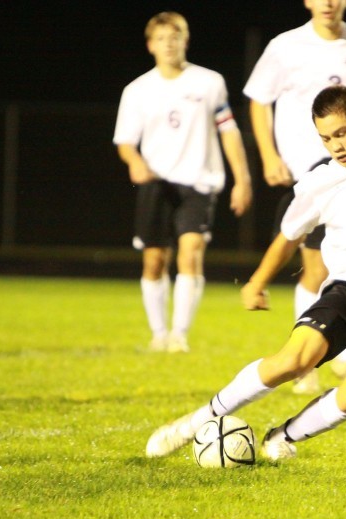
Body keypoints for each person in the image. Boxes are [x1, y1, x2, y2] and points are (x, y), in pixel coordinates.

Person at [145, 85, 346, 460]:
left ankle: (283, 437)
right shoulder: (320, 182)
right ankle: (196, 421)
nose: (335, 146)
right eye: (326, 138)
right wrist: (257, 282)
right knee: (294, 361)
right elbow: (287, 236)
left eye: (342, 133)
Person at [243, 0, 346, 393]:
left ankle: (340, 354)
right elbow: (259, 99)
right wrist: (268, 155)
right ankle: (309, 363)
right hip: (312, 174)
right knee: (315, 269)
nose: (328, 2)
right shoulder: (284, 46)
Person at [113, 12, 252, 353]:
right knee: (155, 260)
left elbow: (228, 131)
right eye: (161, 38)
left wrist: (242, 179)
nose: (169, 44)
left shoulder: (209, 82)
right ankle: (158, 333)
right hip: (156, 183)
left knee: (190, 253)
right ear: (150, 45)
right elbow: (125, 142)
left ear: (185, 41)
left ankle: (179, 335)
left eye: (175, 37)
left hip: (199, 182)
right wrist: (135, 163)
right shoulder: (137, 90)